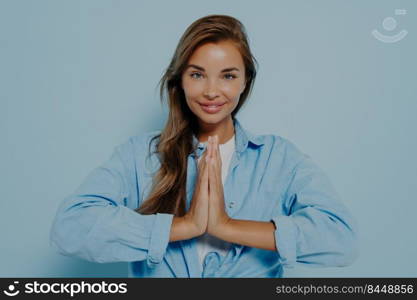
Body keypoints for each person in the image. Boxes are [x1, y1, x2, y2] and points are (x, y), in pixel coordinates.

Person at [50, 14, 358, 278]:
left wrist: (226, 226)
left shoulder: (279, 158)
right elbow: (70, 228)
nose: (212, 91)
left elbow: (340, 239)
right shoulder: (139, 155)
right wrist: (185, 226)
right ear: (180, 80)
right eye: (197, 74)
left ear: (244, 82)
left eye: (227, 75)